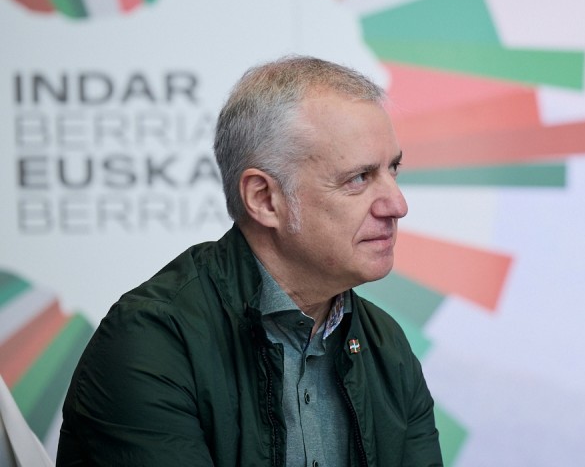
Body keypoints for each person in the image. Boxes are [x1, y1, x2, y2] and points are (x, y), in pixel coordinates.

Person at [57, 56, 443, 467]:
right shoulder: (151, 341)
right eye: (359, 178)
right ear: (264, 199)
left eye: (393, 170)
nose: (397, 205)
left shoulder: (385, 346)